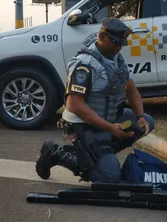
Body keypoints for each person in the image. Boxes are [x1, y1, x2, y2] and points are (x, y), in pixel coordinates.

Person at [35, 17, 156, 183]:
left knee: (147, 121)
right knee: (110, 178)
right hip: (84, 127)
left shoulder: (116, 60)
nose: (120, 47)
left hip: (107, 121)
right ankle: (57, 153)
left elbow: (132, 90)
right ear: (103, 37)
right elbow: (74, 104)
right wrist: (112, 129)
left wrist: (140, 116)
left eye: (121, 43)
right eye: (116, 43)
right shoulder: (85, 64)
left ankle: (101, 152)